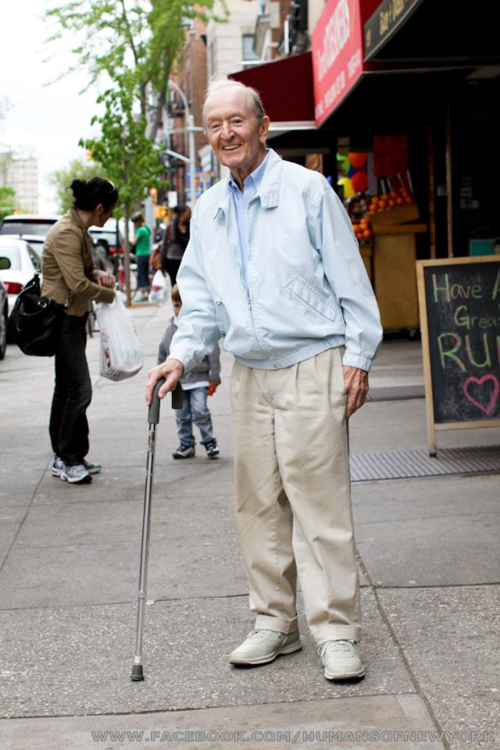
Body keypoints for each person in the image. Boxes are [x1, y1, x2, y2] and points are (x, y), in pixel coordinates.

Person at [146, 81, 383, 681]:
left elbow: (350, 280)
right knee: (256, 505)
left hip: (312, 361)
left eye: (237, 121)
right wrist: (182, 355)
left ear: (263, 125)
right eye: (215, 124)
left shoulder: (307, 190)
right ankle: (275, 623)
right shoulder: (207, 207)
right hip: (249, 370)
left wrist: (359, 355)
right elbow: (198, 300)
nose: (227, 133)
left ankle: (334, 631)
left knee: (318, 503)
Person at [42, 177, 118, 485]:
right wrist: (112, 296)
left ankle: (68, 456)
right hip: (62, 320)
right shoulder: (66, 233)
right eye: (110, 211)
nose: (110, 216)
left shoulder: (79, 230)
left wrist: (100, 274)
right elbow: (76, 284)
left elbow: (85, 273)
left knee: (67, 389)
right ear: (99, 209)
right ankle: (68, 458)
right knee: (80, 391)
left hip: (72, 319)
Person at [158, 284, 221, 459]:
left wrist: (214, 375)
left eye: (183, 305)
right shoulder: (170, 329)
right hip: (177, 383)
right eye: (176, 305)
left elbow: (213, 351)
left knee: (200, 411)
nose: (179, 310)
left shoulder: (198, 328)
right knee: (181, 415)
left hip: (199, 379)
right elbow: (163, 352)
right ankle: (186, 444)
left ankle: (209, 441)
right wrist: (161, 377)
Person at [160, 205, 191, 288]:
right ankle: (175, 300)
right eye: (188, 213)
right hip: (172, 261)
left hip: (185, 260)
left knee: (185, 285)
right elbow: (164, 245)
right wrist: (161, 262)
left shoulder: (191, 227)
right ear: (182, 214)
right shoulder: (170, 227)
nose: (190, 215)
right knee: (174, 284)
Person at [131, 211, 151, 301]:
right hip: (147, 253)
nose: (135, 225)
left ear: (139, 221)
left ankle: (143, 295)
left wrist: (133, 238)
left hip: (141, 254)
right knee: (146, 273)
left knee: (141, 273)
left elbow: (134, 242)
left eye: (135, 223)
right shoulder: (146, 228)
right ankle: (147, 292)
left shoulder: (140, 230)